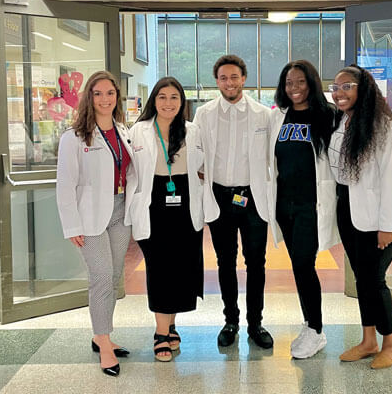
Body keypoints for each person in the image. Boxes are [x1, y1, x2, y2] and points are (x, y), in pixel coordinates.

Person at [328, 64, 392, 369]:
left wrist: (386, 227)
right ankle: (368, 341)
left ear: (364, 89)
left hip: (382, 216)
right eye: (336, 87)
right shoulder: (344, 122)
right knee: (362, 278)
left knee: (375, 279)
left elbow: (391, 179)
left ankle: (391, 342)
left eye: (347, 86)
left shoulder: (382, 127)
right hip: (350, 210)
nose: (339, 92)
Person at [56, 70, 137, 377]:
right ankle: (104, 344)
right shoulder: (74, 137)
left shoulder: (123, 130)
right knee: (101, 276)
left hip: (119, 211)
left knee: (114, 275)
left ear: (118, 97)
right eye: (98, 93)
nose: (105, 99)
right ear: (88, 97)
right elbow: (65, 185)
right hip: (89, 217)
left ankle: (101, 334)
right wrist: (71, 225)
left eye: (110, 93)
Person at [193, 54, 273, 349]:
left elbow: (270, 158)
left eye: (234, 77)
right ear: (217, 81)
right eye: (224, 78)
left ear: (244, 79)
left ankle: (256, 323)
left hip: (253, 198)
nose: (229, 82)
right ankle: (231, 320)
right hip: (219, 196)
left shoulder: (263, 114)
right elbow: (196, 151)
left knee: (257, 262)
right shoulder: (204, 114)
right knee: (225, 261)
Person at [129, 77, 204, 362]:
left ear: (182, 102)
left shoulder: (192, 130)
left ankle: (171, 324)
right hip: (153, 201)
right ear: (154, 100)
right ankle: (161, 333)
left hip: (185, 201)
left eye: (174, 97)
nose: (168, 103)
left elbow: (202, 165)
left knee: (182, 266)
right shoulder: (139, 131)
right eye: (162, 97)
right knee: (159, 267)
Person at [268, 60, 337, 359]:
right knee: (298, 266)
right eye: (288, 83)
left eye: (300, 82)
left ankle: (317, 330)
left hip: (312, 204)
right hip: (285, 205)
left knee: (304, 266)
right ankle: (310, 322)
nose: (294, 88)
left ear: (311, 83)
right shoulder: (278, 117)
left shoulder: (328, 116)